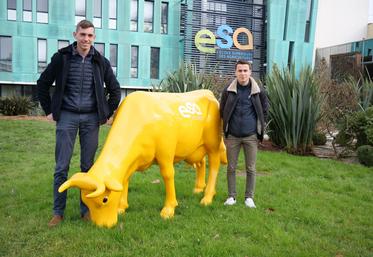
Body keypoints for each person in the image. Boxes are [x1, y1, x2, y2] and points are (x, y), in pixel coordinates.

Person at [37, 20, 121, 227]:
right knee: (61, 166)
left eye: (90, 35)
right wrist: (49, 110)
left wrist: (106, 113)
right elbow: (43, 83)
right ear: (75, 34)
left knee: (88, 167)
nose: (86, 39)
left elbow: (115, 89)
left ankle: (86, 210)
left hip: (91, 119)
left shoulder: (100, 61)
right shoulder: (62, 58)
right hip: (67, 117)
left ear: (94, 37)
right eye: (83, 34)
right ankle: (58, 212)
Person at [219, 60, 268, 208]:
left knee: (251, 168)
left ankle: (249, 198)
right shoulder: (228, 89)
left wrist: (256, 128)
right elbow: (222, 110)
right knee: (231, 168)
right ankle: (231, 197)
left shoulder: (258, 90)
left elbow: (264, 110)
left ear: (250, 72)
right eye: (240, 71)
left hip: (250, 136)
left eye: (245, 70)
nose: (242, 74)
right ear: (235, 72)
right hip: (233, 135)